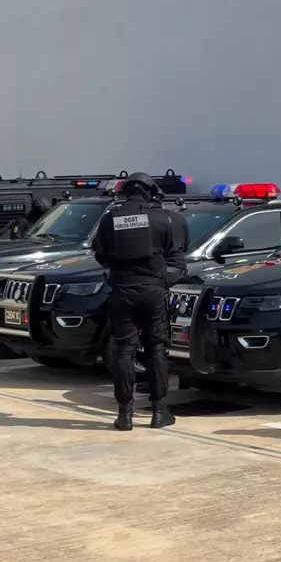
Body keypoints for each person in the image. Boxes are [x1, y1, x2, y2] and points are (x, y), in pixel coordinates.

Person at [94, 172, 188, 430]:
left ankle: (125, 415)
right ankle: (159, 412)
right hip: (152, 291)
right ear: (148, 191)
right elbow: (176, 254)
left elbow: (100, 255)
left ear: (125, 192)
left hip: (122, 290)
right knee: (156, 348)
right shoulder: (162, 218)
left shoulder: (110, 219)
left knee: (124, 350)